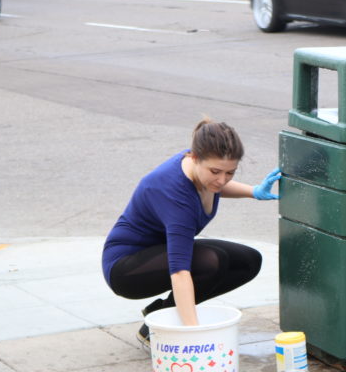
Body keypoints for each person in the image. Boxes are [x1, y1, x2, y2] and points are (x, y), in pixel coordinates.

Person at [101, 118, 280, 348]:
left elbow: (213, 184)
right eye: (215, 171)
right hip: (126, 268)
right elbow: (180, 272)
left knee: (248, 261)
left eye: (230, 172)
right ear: (194, 157)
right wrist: (195, 336)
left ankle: (160, 315)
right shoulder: (174, 195)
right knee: (211, 262)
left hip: (157, 253)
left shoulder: (200, 170)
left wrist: (254, 191)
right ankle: (162, 330)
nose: (222, 180)